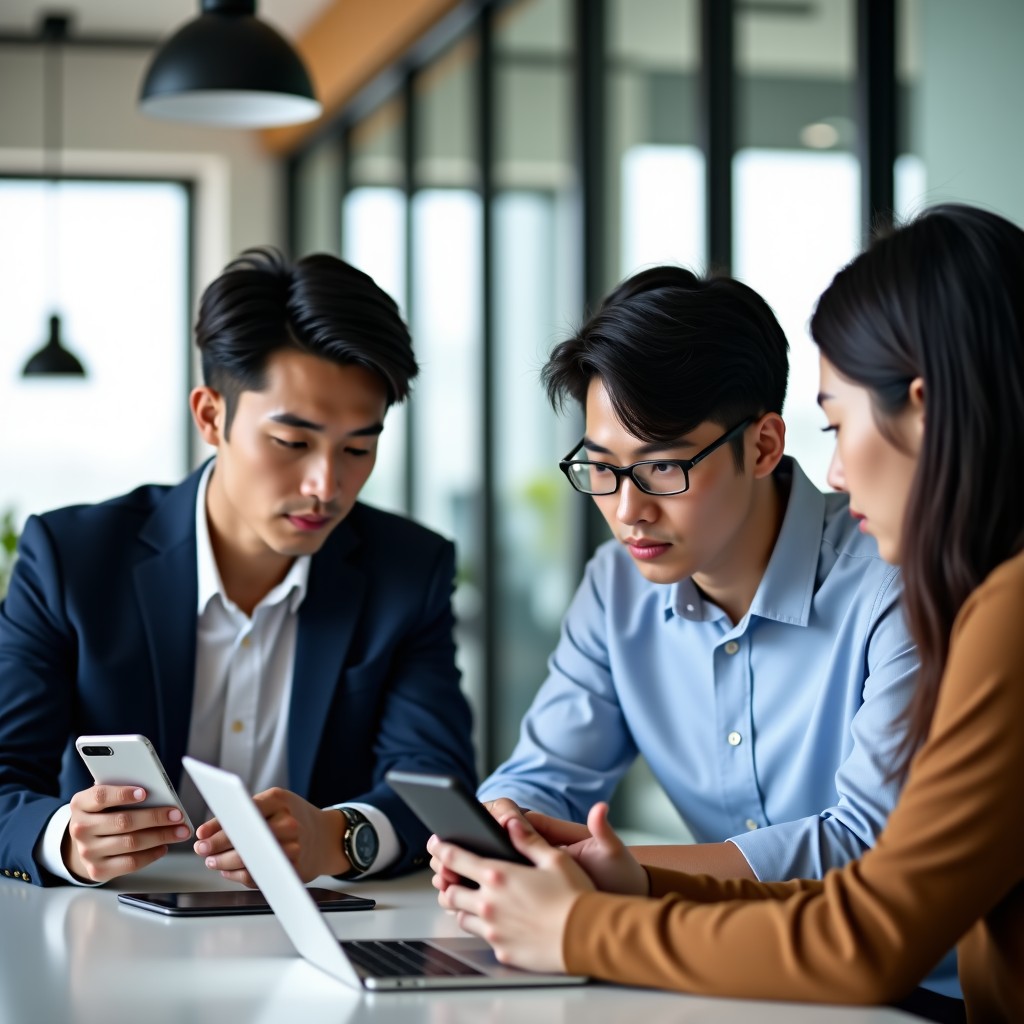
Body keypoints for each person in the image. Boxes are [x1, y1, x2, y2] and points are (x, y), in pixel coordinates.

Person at [430, 204, 1024, 1022]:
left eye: (839, 425)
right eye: (602, 469)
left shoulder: (980, 606)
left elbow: (874, 920)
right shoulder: (619, 586)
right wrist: (571, 859)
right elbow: (881, 912)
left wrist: (585, 926)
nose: (840, 472)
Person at [0, 248, 476, 888]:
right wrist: (65, 838)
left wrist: (340, 837)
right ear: (211, 416)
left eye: (358, 447)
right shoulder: (74, 559)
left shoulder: (407, 572)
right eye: (292, 443)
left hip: (320, 939)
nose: (326, 485)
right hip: (107, 929)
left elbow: (436, 783)